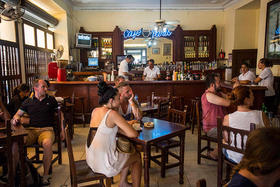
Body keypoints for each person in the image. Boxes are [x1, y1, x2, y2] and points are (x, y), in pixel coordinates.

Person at [86, 81, 142, 187]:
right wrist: (125, 127)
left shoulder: (95, 111)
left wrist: (121, 128)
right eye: (118, 98)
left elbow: (103, 129)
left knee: (126, 152)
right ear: (111, 101)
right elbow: (133, 134)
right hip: (103, 164)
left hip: (91, 158)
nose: (120, 100)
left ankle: (123, 183)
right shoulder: (112, 114)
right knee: (137, 157)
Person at [11, 79, 65, 186]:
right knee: (16, 143)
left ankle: (45, 176)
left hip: (47, 130)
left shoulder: (51, 99)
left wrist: (62, 130)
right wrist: (16, 119)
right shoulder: (28, 101)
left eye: (46, 87)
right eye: (43, 87)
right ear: (36, 88)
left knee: (47, 143)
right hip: (31, 130)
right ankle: (11, 176)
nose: (46, 89)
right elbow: (17, 115)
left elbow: (61, 115)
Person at [223, 86, 270, 164]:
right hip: (256, 158)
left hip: (235, 157)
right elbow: (269, 136)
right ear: (246, 100)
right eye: (252, 95)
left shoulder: (227, 118)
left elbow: (227, 140)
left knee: (223, 143)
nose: (254, 97)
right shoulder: (261, 114)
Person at [201, 73, 232, 159]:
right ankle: (217, 153)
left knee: (233, 132)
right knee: (232, 134)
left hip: (221, 126)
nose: (220, 84)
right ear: (212, 85)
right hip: (211, 129)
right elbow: (228, 103)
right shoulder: (208, 95)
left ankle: (223, 153)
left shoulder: (218, 93)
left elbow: (230, 97)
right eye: (218, 82)